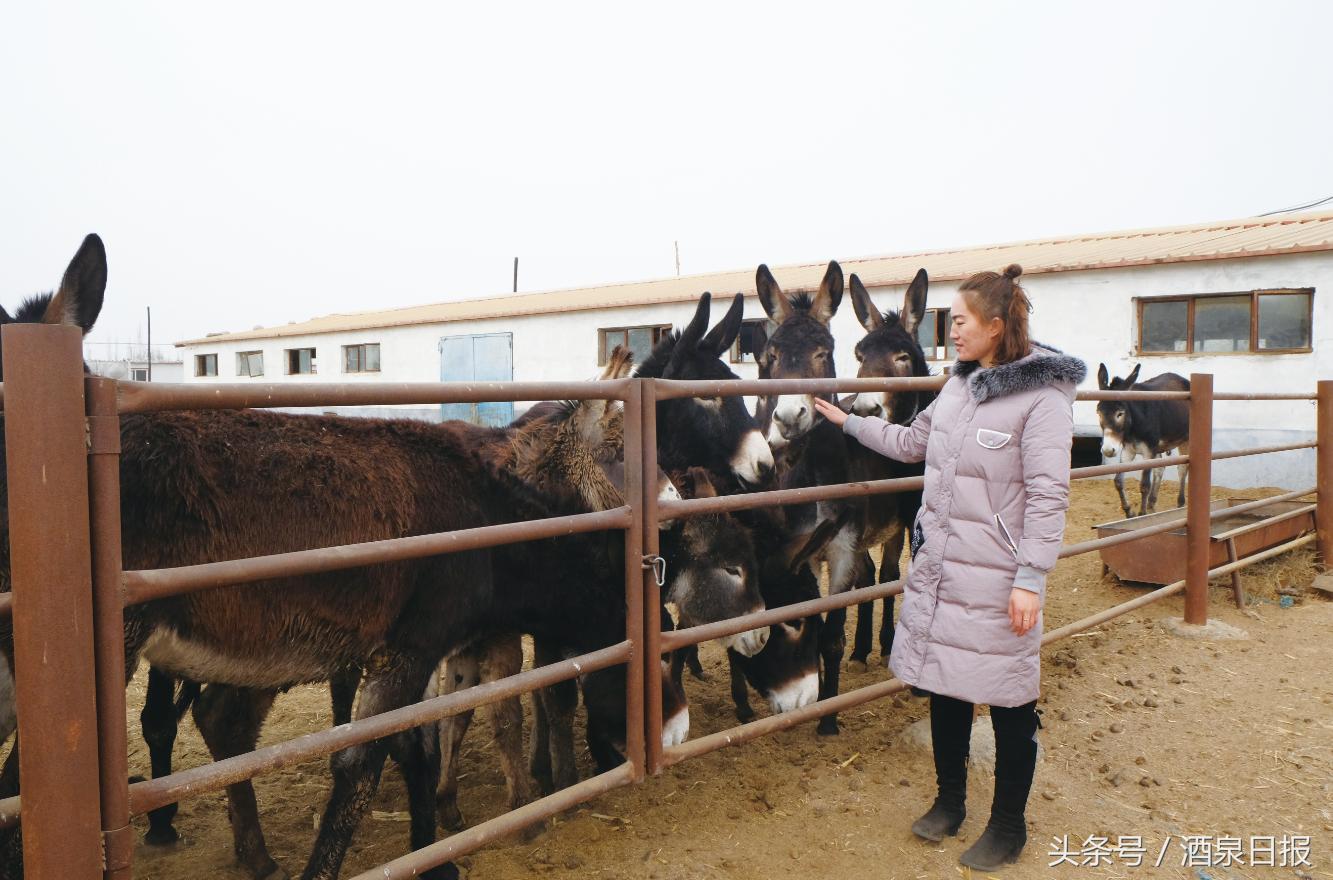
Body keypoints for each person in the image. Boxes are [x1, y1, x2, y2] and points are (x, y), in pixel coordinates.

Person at [813, 264, 1085, 871]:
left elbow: (1048, 495)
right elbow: (913, 445)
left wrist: (1031, 580)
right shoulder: (959, 387)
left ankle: (1008, 825)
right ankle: (950, 802)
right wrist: (849, 421)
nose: (951, 333)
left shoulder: (1042, 399)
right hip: (943, 568)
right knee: (943, 684)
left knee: (1011, 700)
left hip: (998, 575)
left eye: (959, 322)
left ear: (994, 326)